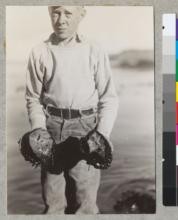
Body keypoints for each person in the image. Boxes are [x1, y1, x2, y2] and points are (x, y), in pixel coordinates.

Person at [25, 6, 118, 214]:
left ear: (81, 15)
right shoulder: (39, 51)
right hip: (51, 127)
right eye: (56, 12)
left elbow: (109, 98)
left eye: (68, 13)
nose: (61, 20)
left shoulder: (94, 49)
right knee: (53, 200)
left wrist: (101, 135)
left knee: (85, 202)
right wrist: (38, 129)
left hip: (86, 127)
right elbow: (33, 98)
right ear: (49, 13)